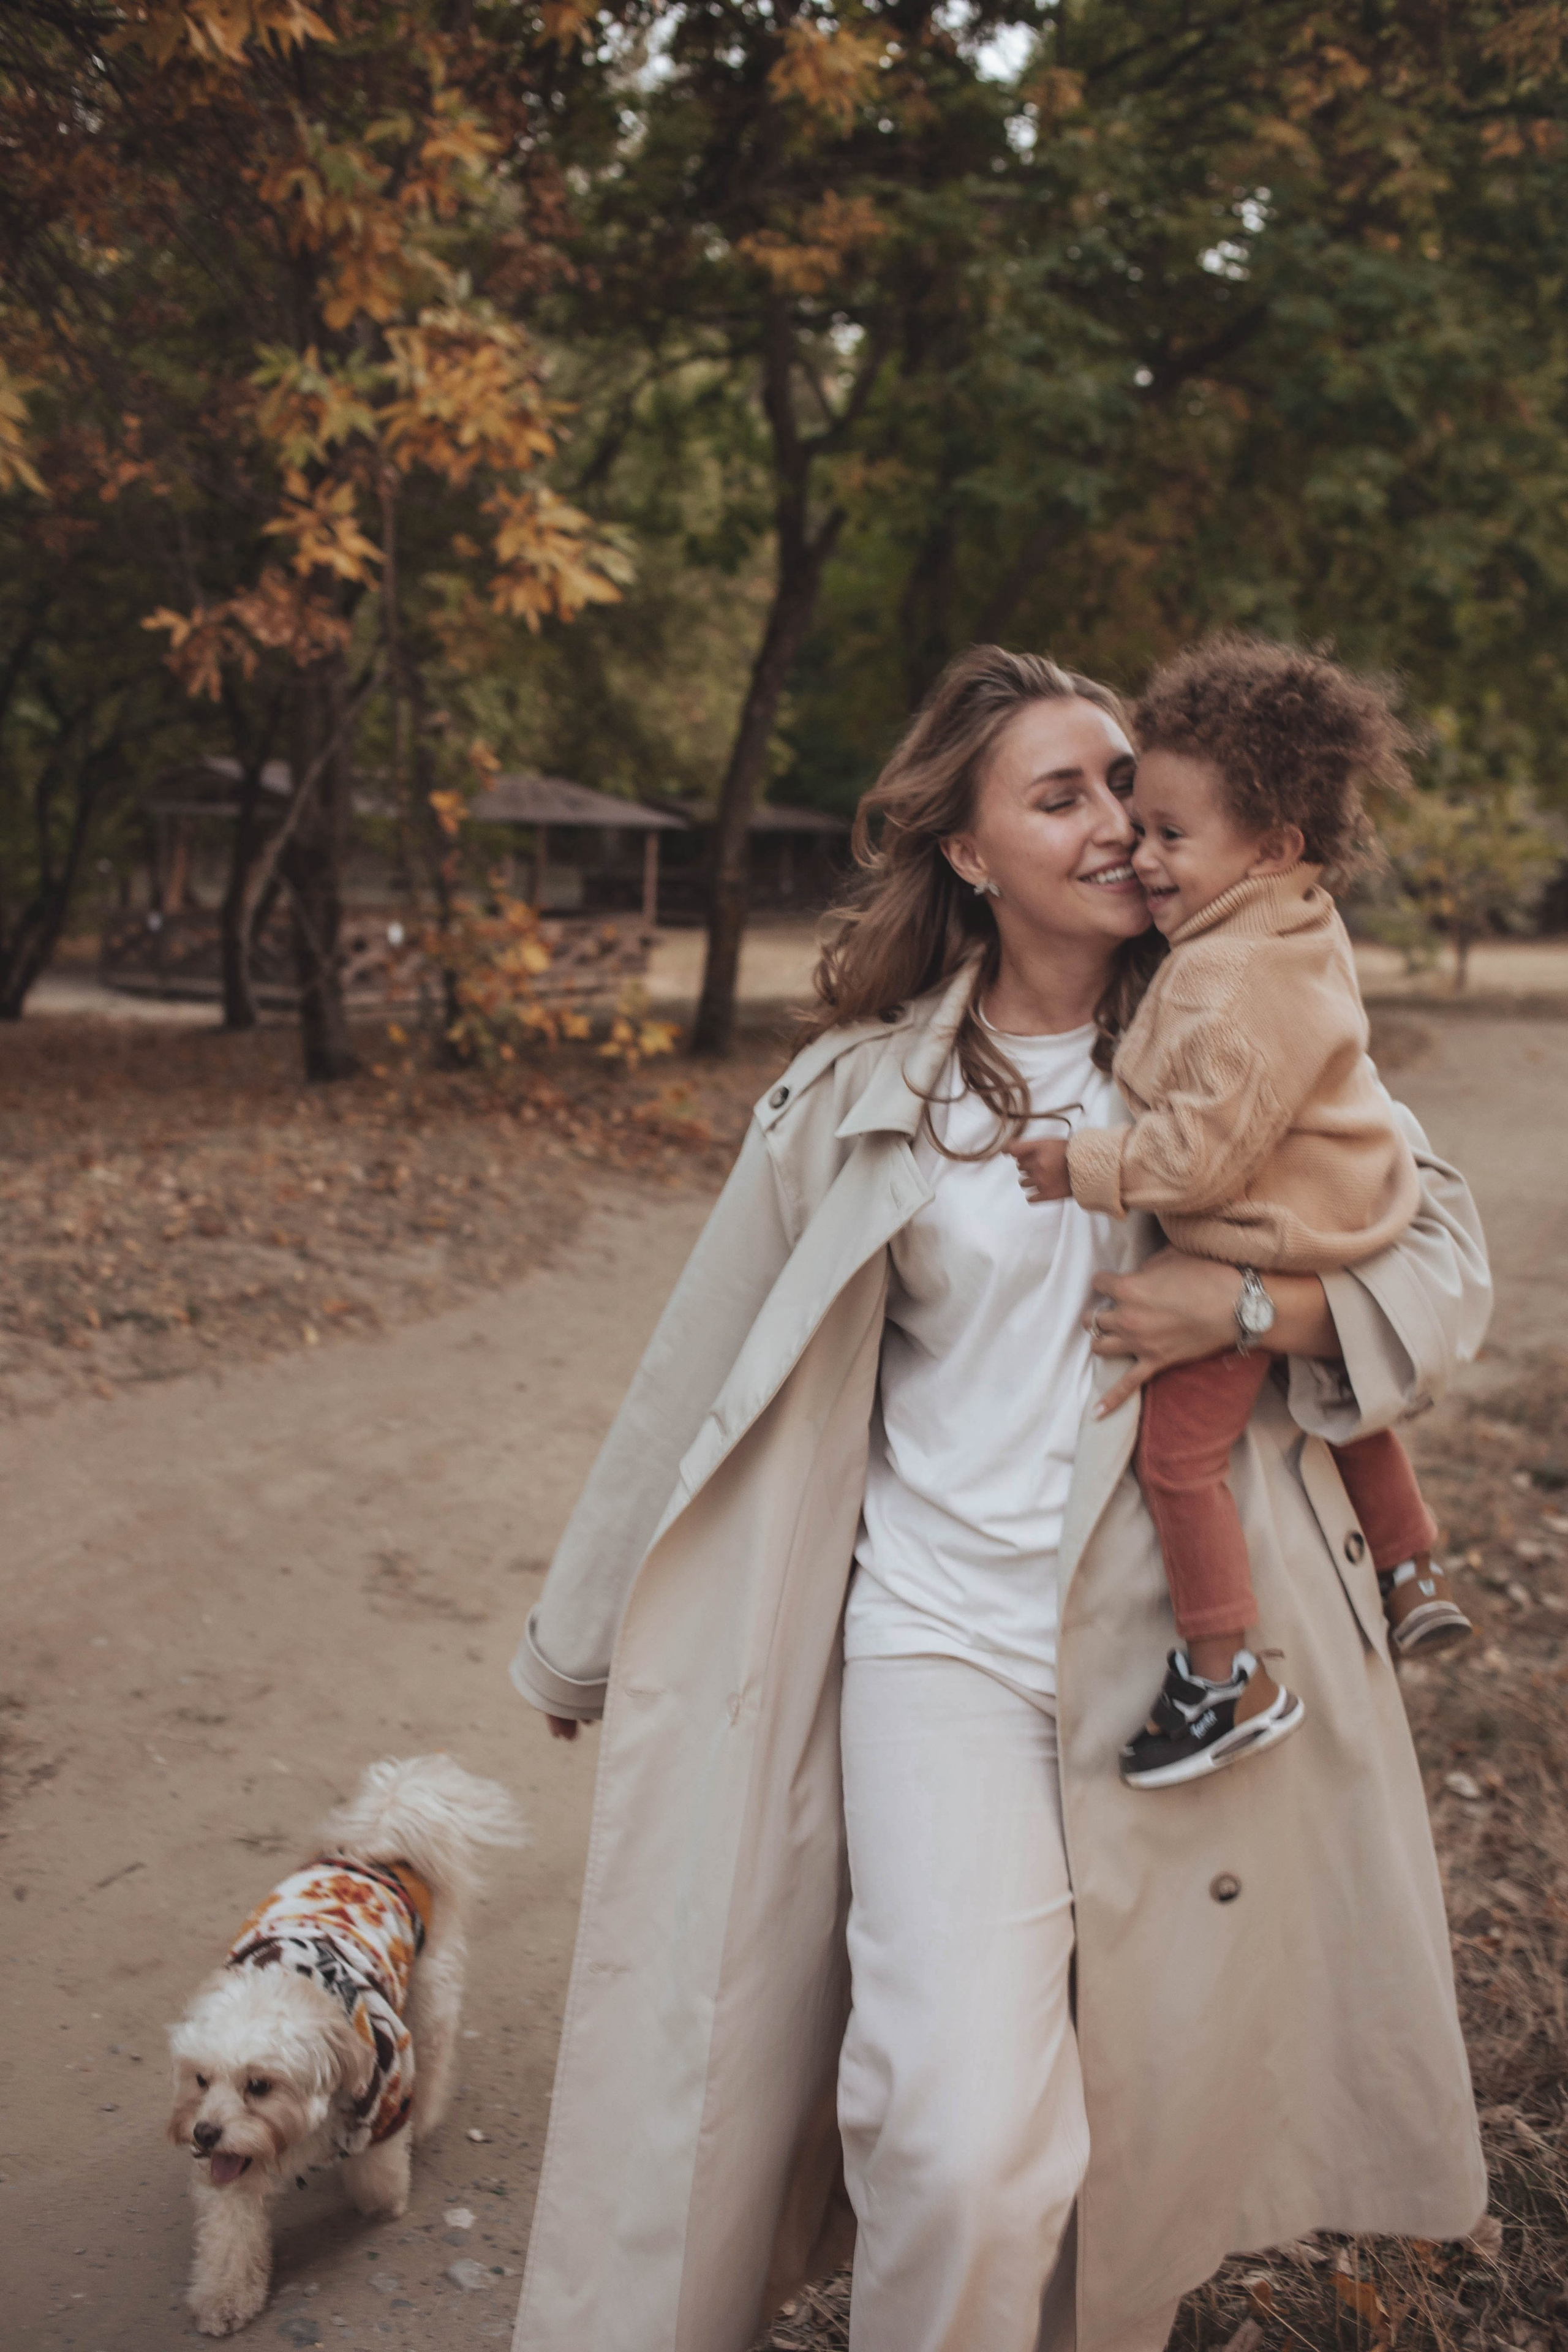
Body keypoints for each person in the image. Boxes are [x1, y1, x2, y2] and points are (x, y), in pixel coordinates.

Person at [508, 646, 1490, 2352]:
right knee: (961, 2144)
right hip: (938, 1647)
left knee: (1108, 2154)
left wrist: (1248, 1309)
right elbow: (701, 1367)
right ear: (968, 853)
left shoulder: (1249, 1019)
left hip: (1178, 1654)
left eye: (1127, 781)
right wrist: (581, 1641)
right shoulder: (858, 1094)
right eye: (1062, 795)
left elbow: (1448, 1268)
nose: (1117, 822)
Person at [1011, 638, 1470, 1793]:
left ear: (1272, 845)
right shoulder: (1296, 922)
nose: (1139, 852)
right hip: (1351, 1215)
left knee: (1179, 1462)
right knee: (1348, 1410)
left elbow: (1201, 1157)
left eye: (1168, 832)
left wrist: (1086, 1164)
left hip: (1263, 1241)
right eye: (1137, 819)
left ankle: (1221, 1672)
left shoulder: (1217, 978)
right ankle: (1413, 1569)